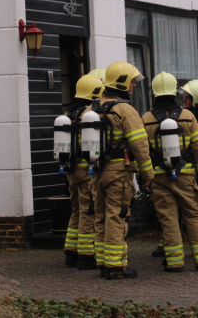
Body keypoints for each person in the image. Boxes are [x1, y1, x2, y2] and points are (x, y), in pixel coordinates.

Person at [141, 72, 198, 272]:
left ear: (154, 92)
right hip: (186, 176)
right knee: (193, 216)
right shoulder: (187, 116)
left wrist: (144, 177)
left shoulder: (147, 119)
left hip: (159, 177)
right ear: (174, 91)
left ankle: (175, 261)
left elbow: (142, 151)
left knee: (168, 218)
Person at [88, 61, 154, 280]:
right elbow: (140, 145)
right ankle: (116, 266)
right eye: (132, 83)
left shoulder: (91, 108)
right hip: (118, 173)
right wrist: (147, 174)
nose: (134, 87)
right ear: (122, 83)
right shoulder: (125, 110)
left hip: (95, 172)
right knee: (117, 216)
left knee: (100, 216)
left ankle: (103, 262)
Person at [62, 74, 104, 270]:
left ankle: (70, 252)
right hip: (85, 168)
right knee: (88, 210)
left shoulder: (68, 113)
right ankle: (87, 255)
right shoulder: (88, 114)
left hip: (71, 169)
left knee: (76, 210)